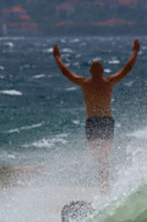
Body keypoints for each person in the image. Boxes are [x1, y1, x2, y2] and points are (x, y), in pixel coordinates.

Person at [53, 39, 140, 191]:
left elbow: (66, 73)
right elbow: (127, 69)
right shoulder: (108, 82)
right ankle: (106, 182)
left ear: (90, 72)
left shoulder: (84, 83)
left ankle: (104, 182)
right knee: (104, 155)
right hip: (106, 121)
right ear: (103, 72)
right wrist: (135, 52)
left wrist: (57, 58)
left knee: (98, 157)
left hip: (92, 122)